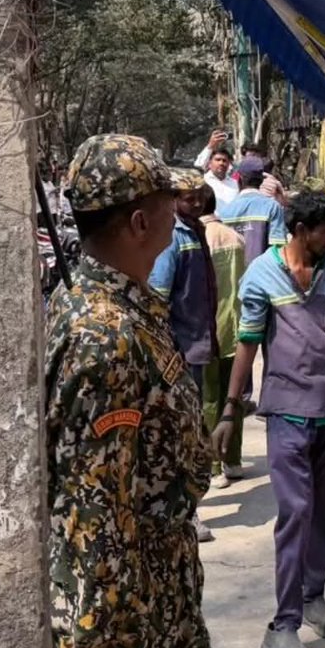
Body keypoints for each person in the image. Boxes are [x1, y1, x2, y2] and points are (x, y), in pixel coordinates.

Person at [46, 134, 240, 648]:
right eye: (167, 200)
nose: (178, 209)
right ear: (138, 222)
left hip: (164, 607)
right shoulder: (103, 338)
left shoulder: (123, 307)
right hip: (127, 633)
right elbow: (93, 519)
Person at [213, 192, 325, 648]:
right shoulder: (262, 275)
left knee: (324, 510)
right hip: (286, 412)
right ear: (301, 230)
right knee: (296, 511)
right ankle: (282, 626)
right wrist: (230, 408)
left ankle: (314, 597)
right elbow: (246, 345)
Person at [149, 167, 221, 544]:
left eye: (198, 196)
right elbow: (159, 298)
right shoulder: (173, 238)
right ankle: (186, 514)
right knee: (182, 435)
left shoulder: (194, 230)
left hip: (195, 345)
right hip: (178, 350)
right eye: (186, 197)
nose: (195, 202)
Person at [200, 185, 247, 488]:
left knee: (209, 399)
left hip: (208, 329)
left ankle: (214, 464)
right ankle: (233, 460)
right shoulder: (237, 238)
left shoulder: (198, 239)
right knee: (234, 396)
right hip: (236, 326)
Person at [220, 156, 287, 265]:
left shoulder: (225, 212)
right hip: (264, 276)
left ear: (239, 179)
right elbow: (279, 249)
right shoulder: (272, 207)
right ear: (261, 181)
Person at [204, 145, 239, 210]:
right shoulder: (204, 181)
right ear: (210, 163)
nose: (221, 163)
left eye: (224, 160)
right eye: (218, 160)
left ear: (229, 164)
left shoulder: (235, 184)